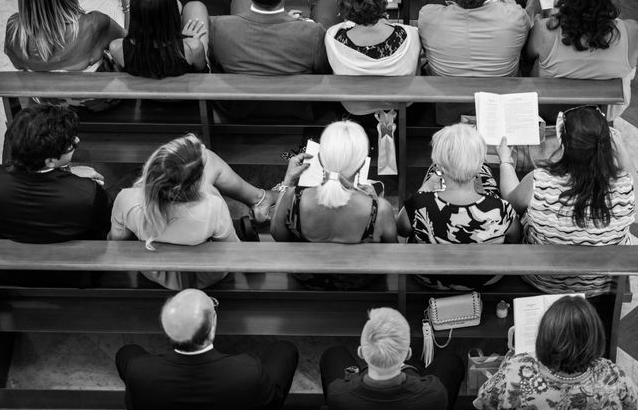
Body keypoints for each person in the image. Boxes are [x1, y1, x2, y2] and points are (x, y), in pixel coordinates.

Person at [497, 106, 636, 295]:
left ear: (563, 144)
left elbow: (511, 201)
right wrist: (623, 153)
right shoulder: (624, 184)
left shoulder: (539, 180)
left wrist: (505, 161)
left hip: (543, 280)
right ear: (607, 144)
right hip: (600, 282)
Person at [108, 134, 276, 290]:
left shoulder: (127, 200)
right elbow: (231, 250)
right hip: (205, 275)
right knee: (209, 158)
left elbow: (117, 242)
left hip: (156, 273)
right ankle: (260, 199)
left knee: (206, 158)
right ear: (197, 183)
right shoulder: (212, 206)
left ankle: (260, 198)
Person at [116, 289, 299, 410]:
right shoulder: (248, 371)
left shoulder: (139, 370)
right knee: (283, 350)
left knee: (128, 352)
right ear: (212, 329)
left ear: (167, 329)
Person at [270, 121, 397, 289]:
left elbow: (278, 235)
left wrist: (287, 182)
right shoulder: (379, 209)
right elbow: (393, 253)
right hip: (361, 284)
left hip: (307, 280)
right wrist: (372, 199)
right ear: (361, 164)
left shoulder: (292, 197)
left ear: (321, 159)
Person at [4, 0, 130, 112]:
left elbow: (18, 64)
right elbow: (129, 45)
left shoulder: (14, 30)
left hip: (49, 105)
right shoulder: (94, 24)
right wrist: (127, 1)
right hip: (98, 103)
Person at [397, 124, 521, 289]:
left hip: (430, 278)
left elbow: (401, 229)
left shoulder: (419, 204)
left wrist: (425, 188)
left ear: (438, 165)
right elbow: (515, 238)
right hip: (487, 278)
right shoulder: (500, 208)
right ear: (479, 167)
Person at [208, 0, 331, 120]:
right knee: (328, 1)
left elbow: (217, 67)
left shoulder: (219, 27)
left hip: (241, 109)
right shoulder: (313, 33)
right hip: (297, 109)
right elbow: (323, 71)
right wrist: (296, 27)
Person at [418, 0, 530, 124]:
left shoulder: (428, 16)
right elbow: (512, 7)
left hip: (447, 98)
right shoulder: (514, 17)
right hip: (501, 94)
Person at [474, 296, 638, 410]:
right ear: (596, 338)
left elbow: (483, 401)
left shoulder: (515, 370)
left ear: (543, 339)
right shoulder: (615, 378)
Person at [525, 0, 638, 120]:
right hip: (600, 113)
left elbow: (527, 57)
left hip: (550, 111)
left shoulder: (545, 30)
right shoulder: (631, 31)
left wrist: (533, 11)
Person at [0, 104, 110, 243]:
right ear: (50, 161)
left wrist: (68, 172)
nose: (77, 140)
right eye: (70, 143)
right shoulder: (89, 193)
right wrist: (72, 179)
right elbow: (102, 230)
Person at [320, 307, 464, 410]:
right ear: (408, 354)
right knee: (451, 360)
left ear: (361, 352)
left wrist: (356, 376)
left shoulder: (338, 393)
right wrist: (408, 369)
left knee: (334, 353)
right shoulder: (435, 393)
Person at [322, 0, 421, 115]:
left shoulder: (333, 37)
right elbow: (417, 72)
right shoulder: (410, 35)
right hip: (402, 109)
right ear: (383, 1)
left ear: (344, 6)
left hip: (354, 110)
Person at [109, 0, 210, 78]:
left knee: (178, 4)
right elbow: (205, 76)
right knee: (195, 6)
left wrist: (126, 1)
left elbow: (130, 42)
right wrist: (188, 40)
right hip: (185, 65)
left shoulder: (116, 48)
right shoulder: (192, 48)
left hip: (145, 63)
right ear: (173, 14)